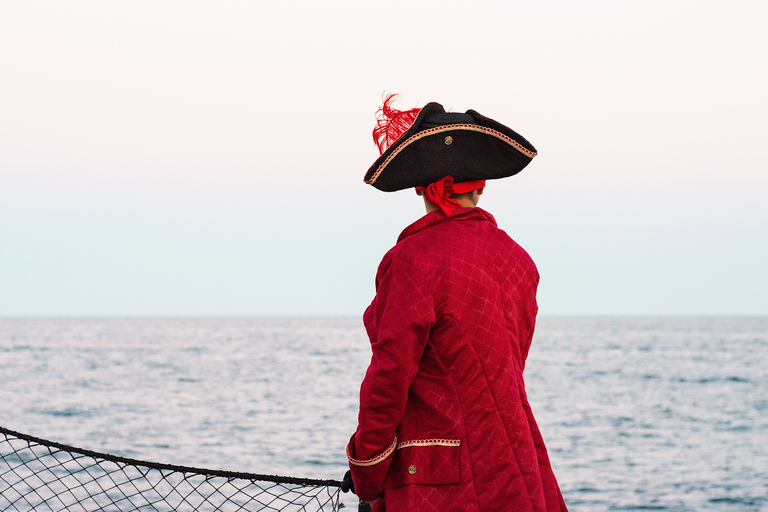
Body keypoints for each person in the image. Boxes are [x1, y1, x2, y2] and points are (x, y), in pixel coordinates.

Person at [343, 96, 568, 512]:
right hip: (519, 465)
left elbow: (389, 376)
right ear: (480, 185)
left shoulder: (412, 260)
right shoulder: (519, 259)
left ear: (425, 187)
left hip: (444, 484)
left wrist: (368, 471)